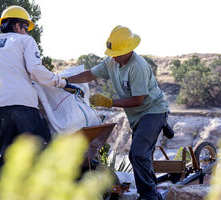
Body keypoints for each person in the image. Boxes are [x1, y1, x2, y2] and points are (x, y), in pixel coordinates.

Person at [0, 5, 81, 200]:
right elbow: (36, 71)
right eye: (25, 27)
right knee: (44, 152)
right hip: (24, 107)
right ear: (19, 26)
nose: (26, 31)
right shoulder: (26, 40)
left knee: (2, 158)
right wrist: (61, 82)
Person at [65, 25, 171, 200]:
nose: (113, 57)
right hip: (138, 116)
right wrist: (64, 81)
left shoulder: (138, 67)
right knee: (143, 156)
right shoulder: (112, 61)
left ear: (129, 50)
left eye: (118, 53)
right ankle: (152, 194)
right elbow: (90, 74)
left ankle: (149, 197)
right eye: (112, 53)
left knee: (137, 153)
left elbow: (139, 100)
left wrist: (109, 102)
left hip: (153, 112)